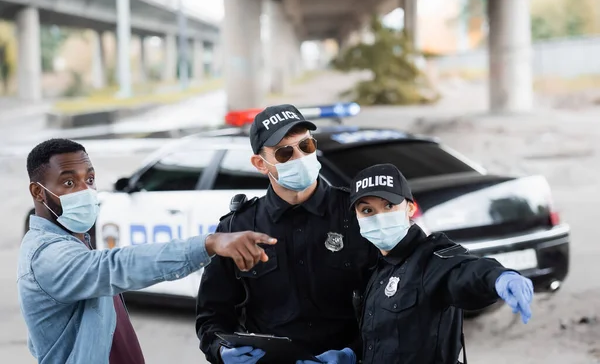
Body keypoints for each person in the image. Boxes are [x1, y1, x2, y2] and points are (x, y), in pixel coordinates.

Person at [17, 138, 277, 364]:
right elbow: (117, 266)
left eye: (90, 179)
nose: (86, 190)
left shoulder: (75, 241)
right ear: (38, 192)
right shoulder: (46, 256)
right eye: (70, 183)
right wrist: (207, 244)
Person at [195, 104, 378, 364]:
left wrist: (353, 352)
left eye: (306, 146)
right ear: (260, 164)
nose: (299, 157)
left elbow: (391, 303)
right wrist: (222, 351)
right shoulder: (238, 228)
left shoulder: (356, 213)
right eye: (284, 152)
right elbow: (211, 316)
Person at [337, 163, 533, 364]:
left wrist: (498, 277)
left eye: (388, 206)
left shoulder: (432, 259)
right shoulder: (375, 267)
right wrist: (352, 354)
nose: (379, 218)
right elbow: (385, 336)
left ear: (410, 208)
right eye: (367, 210)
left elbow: (463, 271)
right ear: (357, 218)